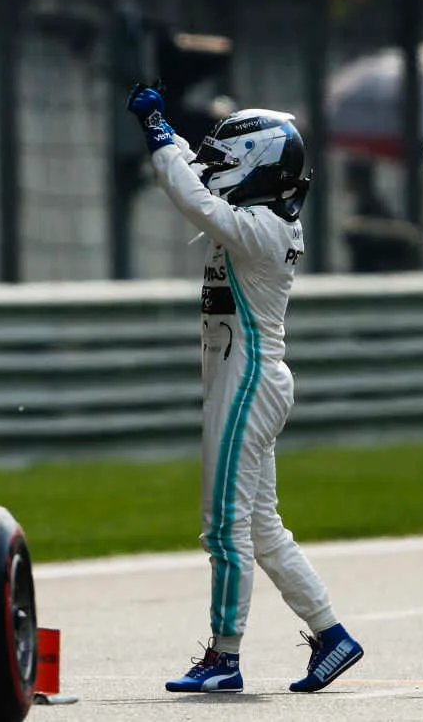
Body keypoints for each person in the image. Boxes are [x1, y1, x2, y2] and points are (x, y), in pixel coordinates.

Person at [124, 83, 365, 696]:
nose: (217, 168)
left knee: (223, 526)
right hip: (244, 378)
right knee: (260, 528)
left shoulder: (262, 227)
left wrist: (158, 135)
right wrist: (165, 132)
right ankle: (331, 634)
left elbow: (194, 197)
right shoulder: (262, 217)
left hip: (247, 381)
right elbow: (196, 177)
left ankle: (223, 655)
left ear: (258, 164)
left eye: (232, 160)